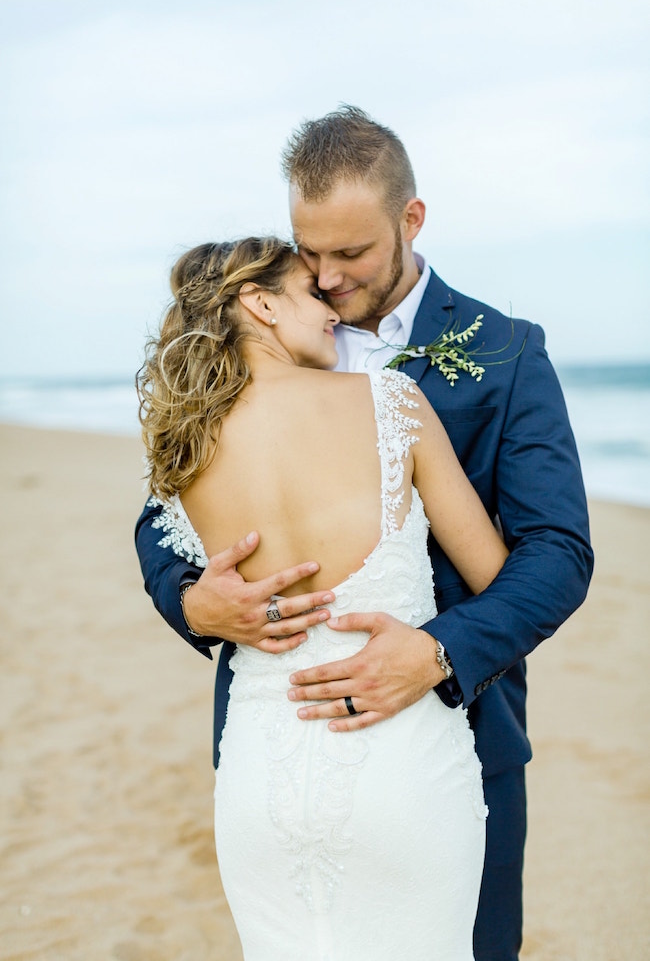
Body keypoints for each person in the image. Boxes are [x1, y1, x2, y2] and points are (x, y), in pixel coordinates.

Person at [135, 107, 594, 961]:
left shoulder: (505, 353)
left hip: (458, 734)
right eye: (310, 255)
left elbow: (558, 555)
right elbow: (161, 527)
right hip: (272, 744)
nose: (330, 278)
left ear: (411, 220)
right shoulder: (256, 361)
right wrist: (197, 603)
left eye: (352, 254)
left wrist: (438, 650)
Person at [137, 235, 510, 960]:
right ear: (261, 302)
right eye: (312, 294)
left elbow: (170, 560)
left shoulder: (181, 448)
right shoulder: (390, 402)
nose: (333, 311)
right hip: (398, 764)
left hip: (258, 786)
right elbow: (494, 575)